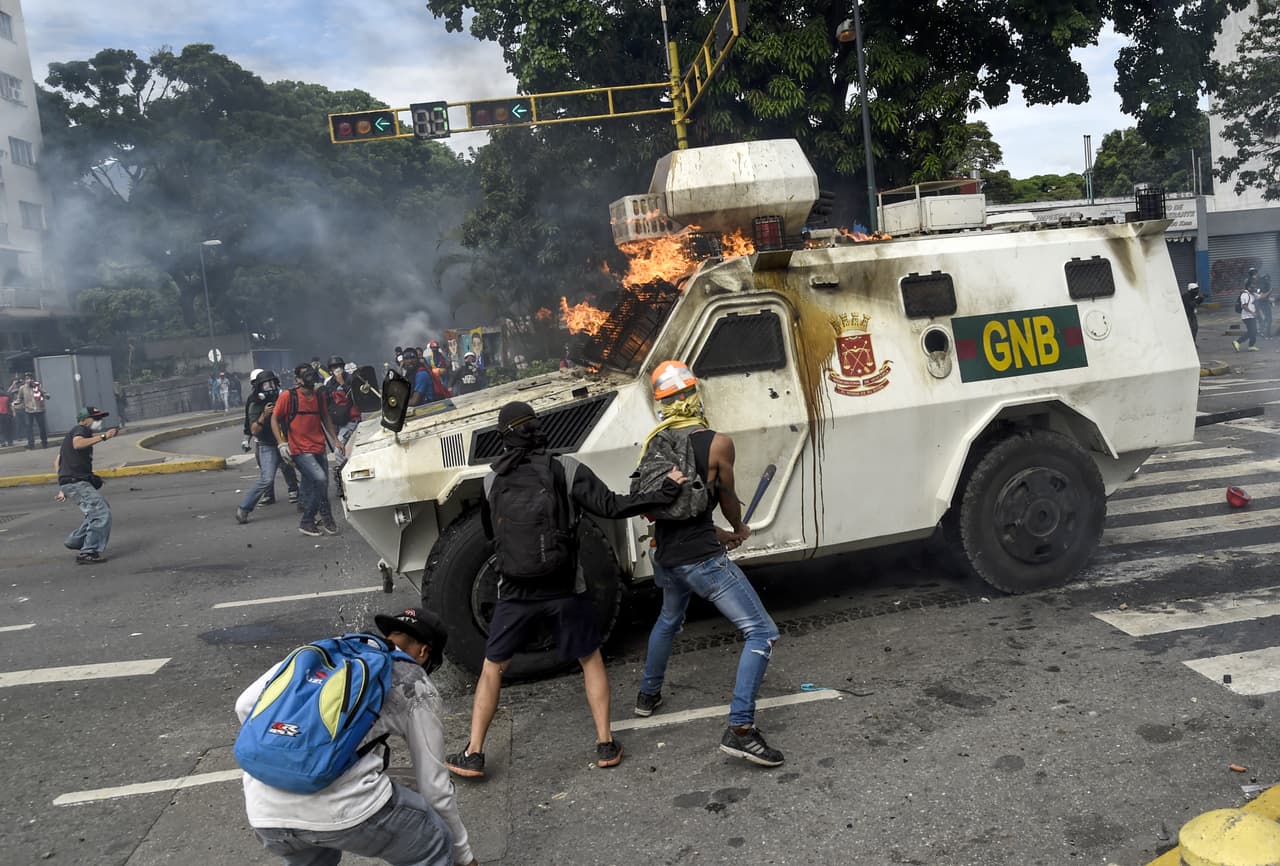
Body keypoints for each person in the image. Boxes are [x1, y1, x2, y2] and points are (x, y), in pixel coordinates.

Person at [444, 400, 686, 780]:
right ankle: (606, 743)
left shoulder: (491, 479)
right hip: (562, 587)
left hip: (515, 591)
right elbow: (611, 506)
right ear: (538, 428)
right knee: (590, 659)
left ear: (503, 437)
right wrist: (665, 493)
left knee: (493, 668)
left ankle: (473, 752)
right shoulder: (563, 468)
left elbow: (492, 535)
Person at [235, 608, 478, 866]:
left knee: (313, 854)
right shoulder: (413, 681)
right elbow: (435, 788)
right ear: (424, 652)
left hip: (265, 812)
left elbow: (244, 705)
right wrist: (464, 855)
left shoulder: (327, 652)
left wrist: (294, 752)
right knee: (433, 843)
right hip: (343, 810)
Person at [633, 360, 784, 767]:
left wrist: (718, 533)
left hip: (666, 555)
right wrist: (738, 527)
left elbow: (675, 511)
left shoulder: (655, 443)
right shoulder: (717, 444)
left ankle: (648, 695)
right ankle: (741, 729)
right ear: (694, 395)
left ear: (662, 403)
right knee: (762, 632)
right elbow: (727, 496)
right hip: (702, 561)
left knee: (668, 619)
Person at [272, 363, 341, 537]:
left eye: (312, 373)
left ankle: (327, 518)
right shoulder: (289, 396)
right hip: (299, 448)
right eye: (306, 375)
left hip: (318, 446)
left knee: (321, 484)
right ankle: (307, 520)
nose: (310, 377)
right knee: (320, 479)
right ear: (298, 379)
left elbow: (325, 417)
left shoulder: (319, 396)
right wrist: (281, 443)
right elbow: (274, 418)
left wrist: (335, 439)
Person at [54, 406, 119, 564]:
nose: (99, 421)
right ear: (83, 419)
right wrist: (104, 436)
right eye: (95, 418)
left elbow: (58, 460)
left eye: (100, 418)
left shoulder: (77, 433)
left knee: (98, 510)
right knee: (101, 513)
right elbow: (78, 444)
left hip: (72, 482)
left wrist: (63, 485)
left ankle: (75, 540)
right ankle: (88, 552)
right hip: (76, 482)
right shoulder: (80, 429)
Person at [236, 370, 296, 523]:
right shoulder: (255, 402)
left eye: (272, 383)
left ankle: (302, 498)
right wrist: (264, 415)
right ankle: (244, 509)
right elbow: (254, 429)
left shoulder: (282, 397)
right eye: (266, 384)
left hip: (286, 441)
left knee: (305, 468)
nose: (270, 387)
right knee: (267, 479)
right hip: (267, 445)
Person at [19, 372, 49, 449]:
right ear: (24, 380)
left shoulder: (37, 386)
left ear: (32, 379)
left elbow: (45, 393)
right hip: (29, 411)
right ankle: (31, 444)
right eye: (27, 379)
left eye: (30, 378)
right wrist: (16, 404)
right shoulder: (22, 388)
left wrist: (46, 396)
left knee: (42, 427)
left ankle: (44, 443)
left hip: (39, 410)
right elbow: (20, 399)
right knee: (29, 427)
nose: (29, 380)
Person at [1234, 277, 1260, 352]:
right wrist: (1252, 313)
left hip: (1252, 316)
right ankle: (1237, 342)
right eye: (1252, 286)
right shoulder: (1245, 294)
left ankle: (1251, 346)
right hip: (1247, 317)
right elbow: (1244, 306)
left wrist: (1270, 291)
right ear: (1248, 287)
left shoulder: (1253, 294)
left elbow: (1262, 297)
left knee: (1253, 331)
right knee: (1252, 331)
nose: (1254, 287)